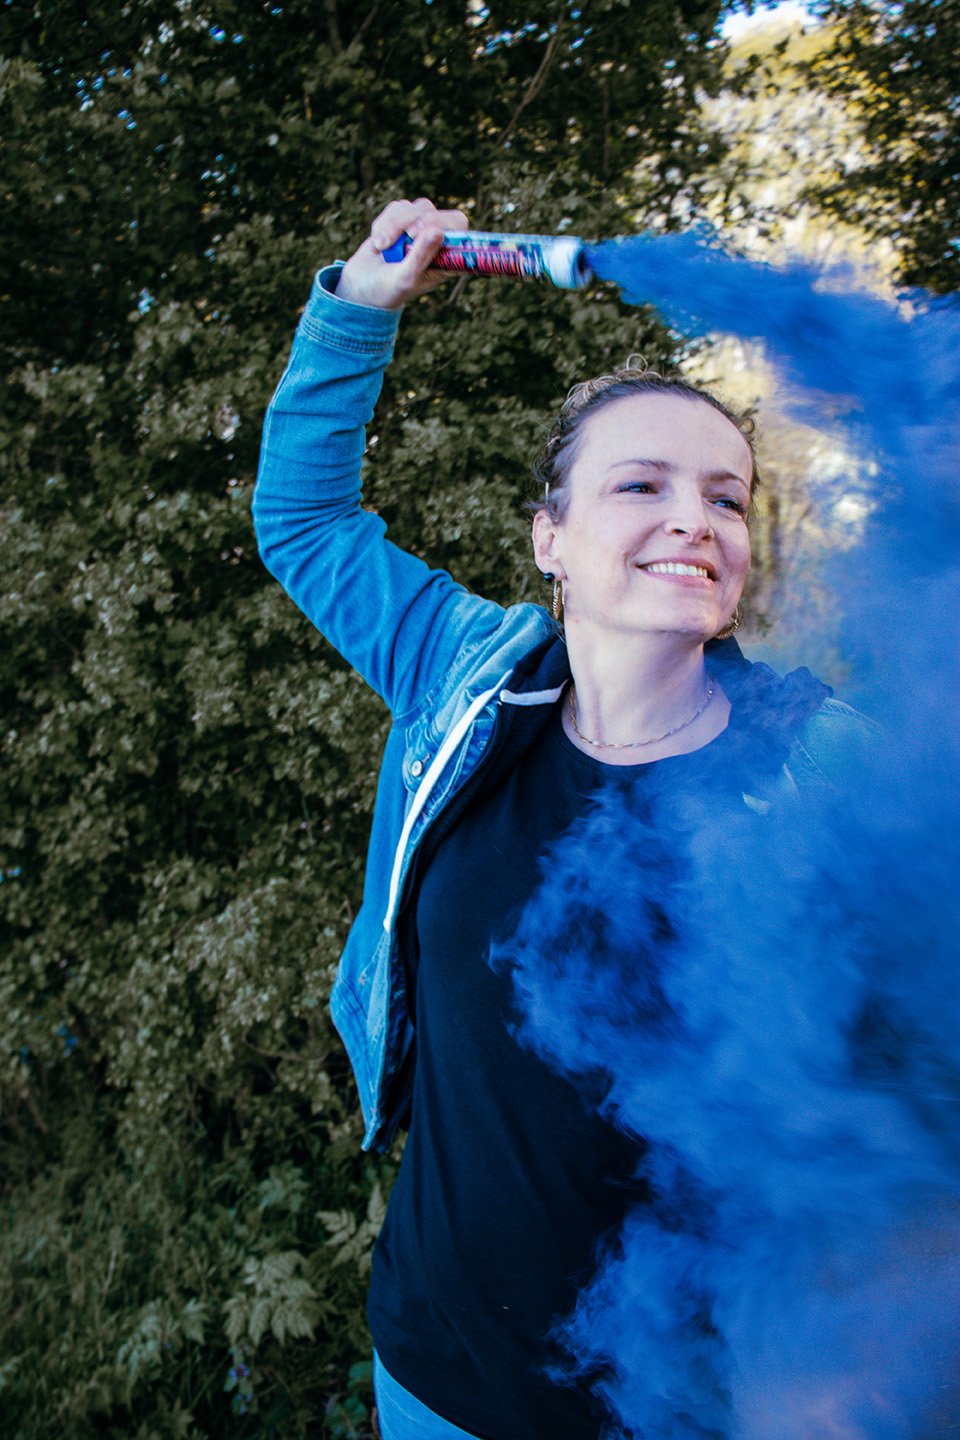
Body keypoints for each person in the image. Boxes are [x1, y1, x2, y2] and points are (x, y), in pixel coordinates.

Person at [252, 198, 871, 1440]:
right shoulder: (465, 677)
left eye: (727, 498)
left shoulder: (823, 764)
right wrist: (356, 312)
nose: (695, 518)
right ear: (552, 537)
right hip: (434, 1371)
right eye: (641, 484)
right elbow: (304, 521)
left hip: (692, 1403)